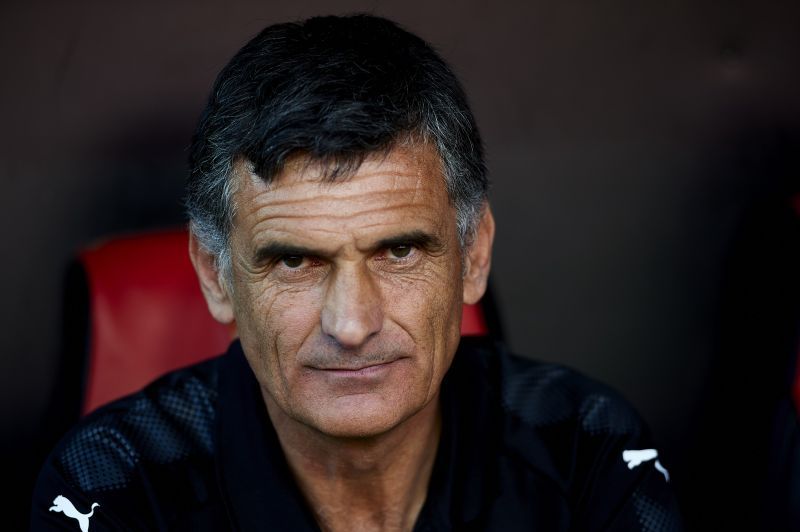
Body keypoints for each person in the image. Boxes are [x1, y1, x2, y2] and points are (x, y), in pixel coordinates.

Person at [31, 14, 682, 531]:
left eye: (398, 252)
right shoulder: (113, 485)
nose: (352, 324)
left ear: (474, 255)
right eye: (294, 260)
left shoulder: (584, 447)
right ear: (216, 275)